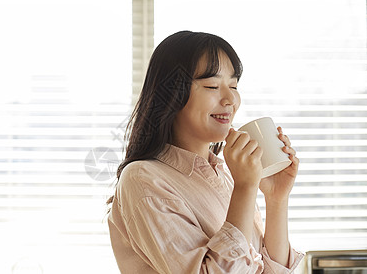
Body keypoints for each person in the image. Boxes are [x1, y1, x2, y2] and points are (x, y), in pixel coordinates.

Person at [107, 31, 304, 273]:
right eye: (212, 85)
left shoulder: (228, 176)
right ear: (172, 94)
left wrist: (276, 199)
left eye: (234, 85)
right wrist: (244, 188)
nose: (231, 98)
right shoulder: (143, 180)